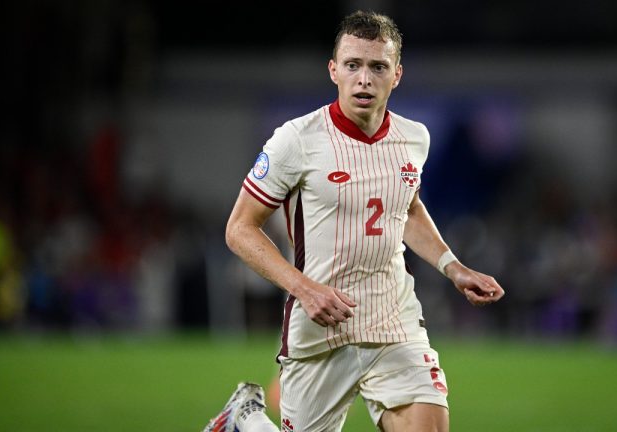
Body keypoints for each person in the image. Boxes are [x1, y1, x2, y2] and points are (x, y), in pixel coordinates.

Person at [203, 10, 504, 432]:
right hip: (320, 332)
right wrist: (303, 288)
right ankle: (245, 421)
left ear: (396, 74)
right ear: (334, 71)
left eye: (377, 66)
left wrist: (452, 266)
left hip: (393, 323)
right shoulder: (297, 139)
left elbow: (408, 208)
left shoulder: (414, 138)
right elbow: (239, 228)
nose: (364, 78)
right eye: (353, 65)